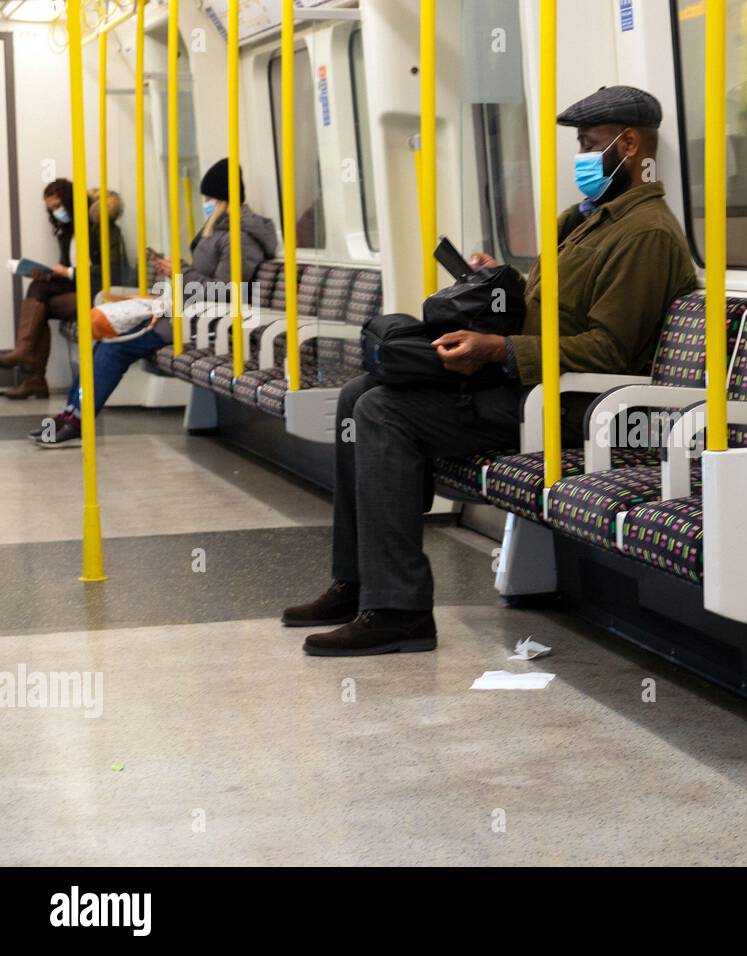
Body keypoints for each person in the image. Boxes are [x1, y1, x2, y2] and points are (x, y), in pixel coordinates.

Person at [282, 85, 697, 657]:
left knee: (383, 413)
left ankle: (399, 611)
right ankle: (357, 582)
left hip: (570, 407)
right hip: (528, 387)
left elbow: (609, 352)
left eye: (590, 144)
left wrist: (499, 350)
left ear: (628, 145)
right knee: (360, 392)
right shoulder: (587, 221)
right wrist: (500, 281)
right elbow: (553, 308)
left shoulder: (644, 234)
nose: (581, 156)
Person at [32, 158, 277, 447]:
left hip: (209, 324)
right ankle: (71, 413)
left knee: (115, 348)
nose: (205, 203)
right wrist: (178, 270)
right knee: (104, 340)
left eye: (209, 198)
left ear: (223, 199)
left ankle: (77, 421)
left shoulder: (239, 238)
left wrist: (181, 272)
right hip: (189, 315)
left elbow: (225, 291)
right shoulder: (220, 232)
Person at [1, 181, 127, 399]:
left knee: (41, 304)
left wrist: (68, 272)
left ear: (70, 202)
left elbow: (112, 271)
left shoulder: (103, 227)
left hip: (101, 294)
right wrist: (48, 274)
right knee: (39, 289)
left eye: (58, 205)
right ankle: (29, 365)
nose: (55, 212)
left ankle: (32, 371)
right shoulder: (67, 233)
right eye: (51, 209)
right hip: (80, 290)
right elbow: (69, 273)